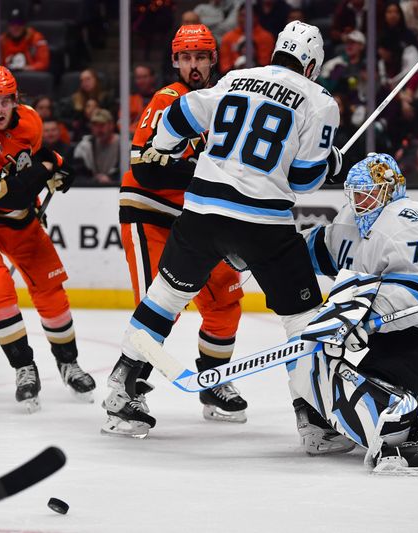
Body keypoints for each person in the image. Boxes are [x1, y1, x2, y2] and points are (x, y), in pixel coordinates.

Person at [106, 21, 345, 453]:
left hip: (200, 214)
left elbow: (176, 119)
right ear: (311, 63)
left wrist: (171, 145)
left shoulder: (237, 79)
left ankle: (120, 391)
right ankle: (315, 423)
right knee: (303, 320)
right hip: (261, 222)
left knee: (163, 299)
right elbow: (306, 181)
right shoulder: (320, 100)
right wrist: (332, 162)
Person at [294, 152, 418, 474]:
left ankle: (406, 434)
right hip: (407, 338)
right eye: (355, 194)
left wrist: (355, 319)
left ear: (389, 189)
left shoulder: (407, 218)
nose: (360, 201)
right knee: (342, 362)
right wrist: (260, 252)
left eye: (367, 193)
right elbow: (310, 252)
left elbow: (413, 297)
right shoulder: (351, 220)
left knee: (346, 376)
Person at [103, 23, 249, 438]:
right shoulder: (169, 98)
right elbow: (145, 166)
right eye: (186, 58)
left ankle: (214, 382)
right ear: (175, 62)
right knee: (157, 305)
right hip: (149, 213)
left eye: (201, 57)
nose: (194, 65)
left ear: (213, 60)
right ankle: (123, 394)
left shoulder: (222, 104)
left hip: (195, 219)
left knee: (224, 296)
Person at [0, 66, 95, 413]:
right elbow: (5, 195)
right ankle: (24, 367)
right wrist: (49, 168)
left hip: (17, 216)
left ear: (15, 101)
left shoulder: (30, 121)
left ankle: (68, 363)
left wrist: (53, 167)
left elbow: (33, 161)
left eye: (3, 101)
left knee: (50, 288)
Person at [72, 108, 120, 185]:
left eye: (102, 125)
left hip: (117, 187)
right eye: (95, 125)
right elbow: (78, 173)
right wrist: (92, 180)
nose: (98, 129)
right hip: (92, 189)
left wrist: (111, 179)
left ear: (111, 125)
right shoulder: (84, 146)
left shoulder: (124, 146)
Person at [218, 9, 275, 74]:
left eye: (246, 16)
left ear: (255, 17)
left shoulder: (266, 37)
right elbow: (224, 65)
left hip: (258, 74)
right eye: (241, 15)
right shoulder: (228, 37)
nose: (243, 19)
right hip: (232, 74)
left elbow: (265, 63)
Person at [0, 8, 50, 72]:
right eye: (12, 23)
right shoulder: (2, 40)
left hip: (30, 75)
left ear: (24, 25)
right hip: (7, 75)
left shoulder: (36, 38)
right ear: (8, 26)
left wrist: (27, 68)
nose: (16, 27)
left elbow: (43, 63)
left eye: (19, 23)